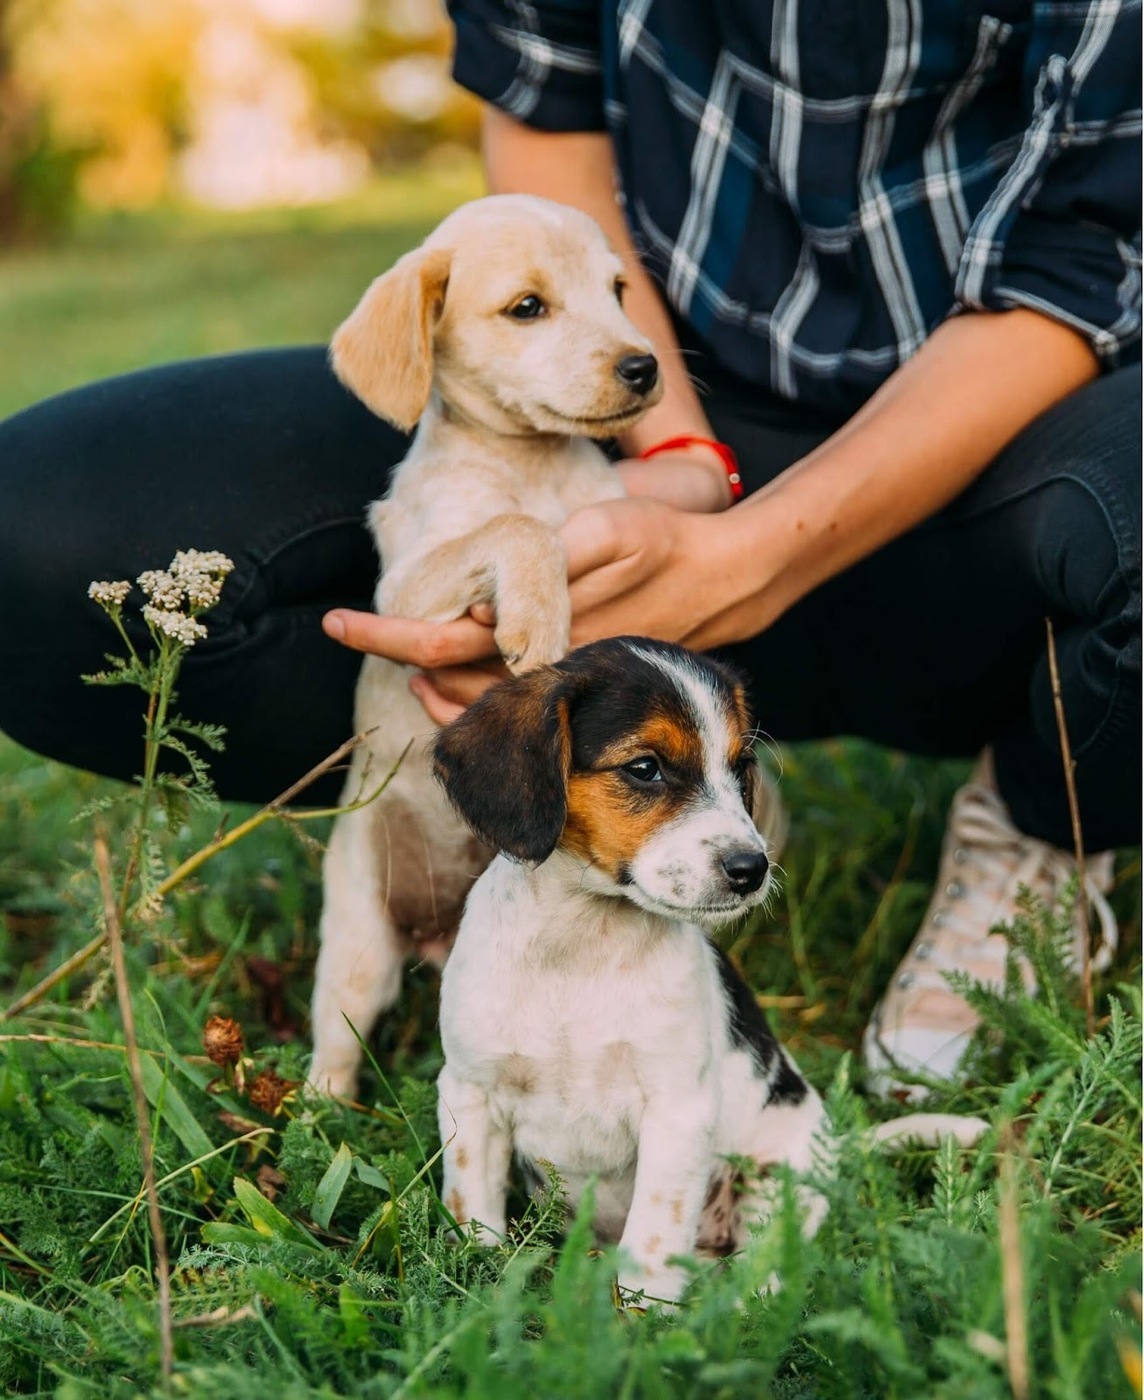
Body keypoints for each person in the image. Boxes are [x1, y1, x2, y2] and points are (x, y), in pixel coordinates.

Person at [0, 2, 1138, 1093]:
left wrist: (742, 557)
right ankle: (518, 806)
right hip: (669, 397)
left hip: (1022, 422)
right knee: (36, 525)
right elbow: (547, 113)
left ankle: (1046, 815)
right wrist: (684, 453)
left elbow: (1083, 255)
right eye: (533, 305)